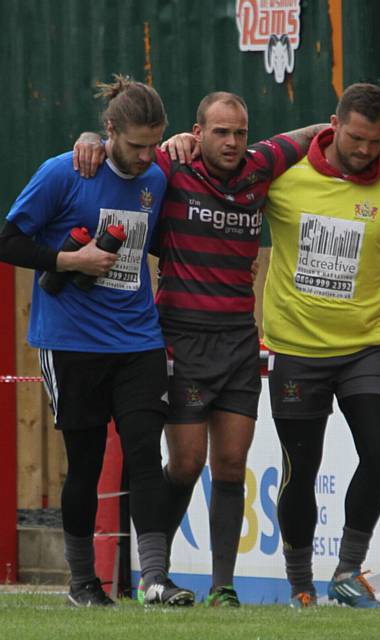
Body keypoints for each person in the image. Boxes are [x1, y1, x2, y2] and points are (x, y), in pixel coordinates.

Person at [73, 91, 380, 607]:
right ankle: (154, 574)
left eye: (239, 132)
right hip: (181, 336)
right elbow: (123, 154)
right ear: (196, 132)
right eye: (220, 132)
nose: (231, 142)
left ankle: (223, 588)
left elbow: (324, 132)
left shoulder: (261, 167)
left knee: (231, 465)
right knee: (185, 464)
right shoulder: (171, 166)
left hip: (239, 339)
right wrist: (91, 139)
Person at [0, 75, 195, 608]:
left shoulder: (156, 175)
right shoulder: (63, 172)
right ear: (108, 131)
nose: (146, 155)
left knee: (143, 454)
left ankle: (155, 579)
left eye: (155, 143)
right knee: (84, 464)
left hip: (138, 340)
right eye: (136, 145)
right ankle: (83, 584)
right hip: (71, 343)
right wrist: (69, 261)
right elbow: (9, 240)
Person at [262, 82, 380, 609]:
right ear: (334, 125)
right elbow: (225, 173)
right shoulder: (283, 181)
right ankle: (300, 584)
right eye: (357, 137)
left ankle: (347, 571)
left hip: (366, 349)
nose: (366, 150)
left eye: (377, 140)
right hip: (297, 352)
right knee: (300, 470)